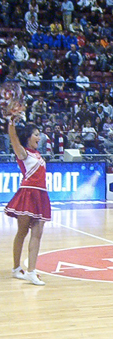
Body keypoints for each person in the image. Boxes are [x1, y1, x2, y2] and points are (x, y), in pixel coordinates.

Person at [5, 120, 51, 286]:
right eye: (37, 134)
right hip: (28, 194)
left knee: (37, 234)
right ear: (28, 137)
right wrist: (11, 122)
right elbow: (13, 139)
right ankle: (16, 268)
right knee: (22, 232)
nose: (40, 137)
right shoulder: (23, 153)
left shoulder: (38, 154)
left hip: (41, 194)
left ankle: (31, 271)